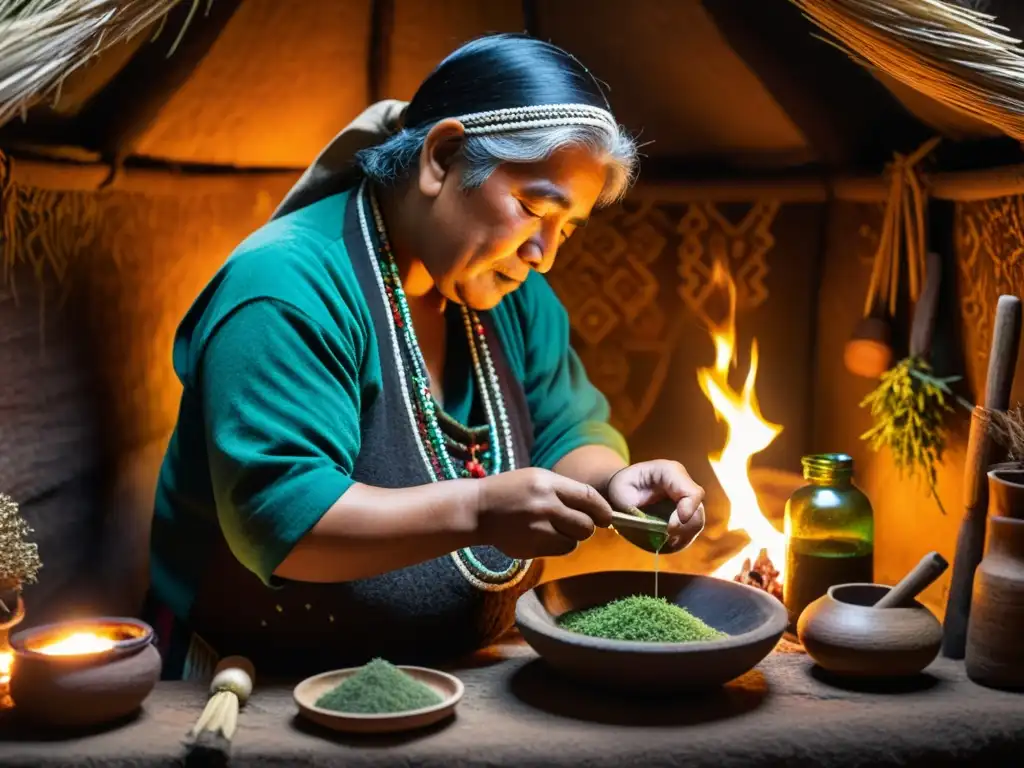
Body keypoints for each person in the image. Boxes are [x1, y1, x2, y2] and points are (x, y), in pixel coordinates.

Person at [145, 33, 706, 681]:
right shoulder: (284, 289)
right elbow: (286, 519)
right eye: (532, 208)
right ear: (441, 158)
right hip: (262, 680)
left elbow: (565, 428)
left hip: (460, 675)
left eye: (568, 227)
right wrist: (479, 509)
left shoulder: (515, 296)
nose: (544, 254)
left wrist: (612, 482)